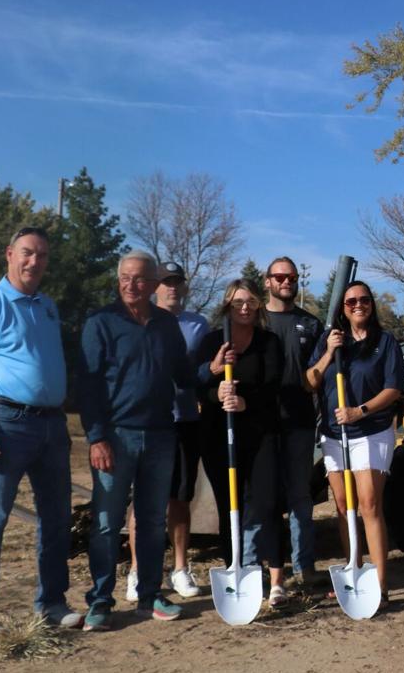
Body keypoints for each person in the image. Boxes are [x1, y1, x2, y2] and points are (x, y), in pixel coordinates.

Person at [0, 226, 80, 641]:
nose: (34, 261)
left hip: (52, 426)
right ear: (9, 254)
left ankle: (52, 604)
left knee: (57, 519)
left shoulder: (47, 306)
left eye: (42, 255)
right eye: (27, 252)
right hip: (6, 424)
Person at [79, 250, 198, 630]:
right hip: (116, 436)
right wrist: (97, 438)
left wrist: (214, 370)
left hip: (161, 434)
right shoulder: (101, 322)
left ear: (153, 284)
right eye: (125, 278)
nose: (132, 284)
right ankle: (101, 601)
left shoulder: (165, 324)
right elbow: (88, 385)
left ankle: (149, 596)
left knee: (150, 521)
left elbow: (184, 376)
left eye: (141, 278)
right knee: (106, 523)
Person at [306, 280, 403, 607]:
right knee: (344, 506)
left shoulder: (385, 342)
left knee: (369, 504)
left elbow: (393, 389)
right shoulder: (330, 339)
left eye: (364, 300)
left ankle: (381, 585)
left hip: (371, 431)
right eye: (351, 302)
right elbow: (310, 381)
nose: (358, 305)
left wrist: (359, 411)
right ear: (342, 309)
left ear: (371, 304)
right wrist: (329, 351)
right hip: (335, 433)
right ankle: (353, 573)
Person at [195, 279, 285, 605]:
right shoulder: (211, 342)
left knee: (266, 503)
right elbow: (196, 384)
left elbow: (274, 386)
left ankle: (272, 575)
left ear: (259, 305)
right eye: (237, 303)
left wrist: (246, 401)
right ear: (227, 306)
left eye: (250, 302)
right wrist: (215, 385)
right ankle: (236, 570)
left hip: (260, 434)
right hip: (219, 435)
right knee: (229, 505)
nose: (244, 308)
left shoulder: (269, 342)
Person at [125, 262, 208, 602]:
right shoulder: (140, 319)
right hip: (147, 422)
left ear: (185, 287)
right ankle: (137, 570)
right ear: (154, 287)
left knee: (180, 498)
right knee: (143, 499)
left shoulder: (198, 325)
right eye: (165, 281)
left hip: (185, 420)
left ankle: (180, 568)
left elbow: (202, 371)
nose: (172, 287)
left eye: (177, 281)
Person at [258, 257, 323, 589]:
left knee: (300, 497)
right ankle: (266, 569)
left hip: (299, 422)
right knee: (264, 499)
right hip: (261, 425)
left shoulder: (310, 324)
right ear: (267, 280)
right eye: (280, 277)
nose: (287, 282)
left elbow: (321, 374)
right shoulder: (254, 320)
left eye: (292, 277)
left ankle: (304, 568)